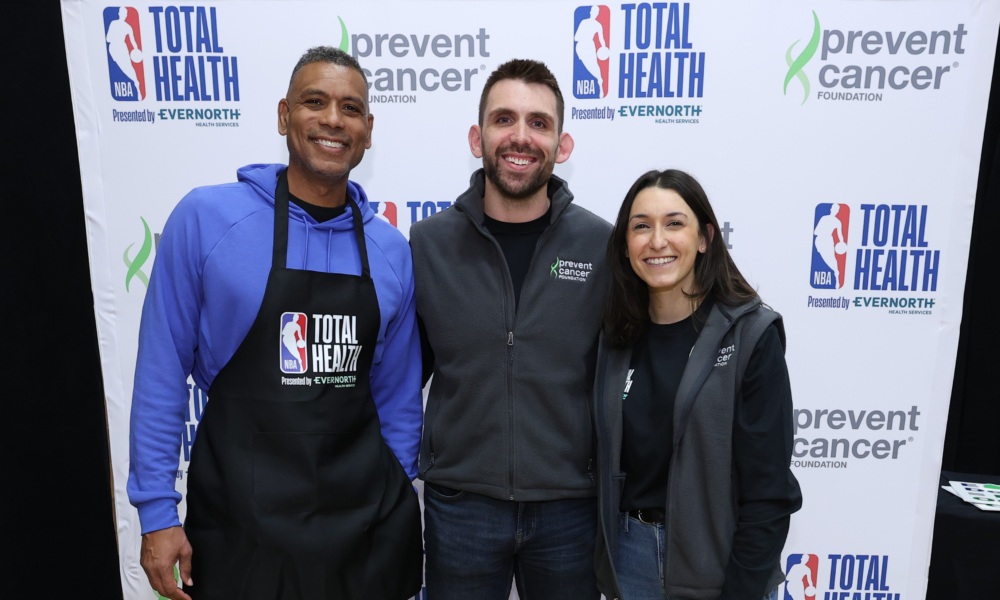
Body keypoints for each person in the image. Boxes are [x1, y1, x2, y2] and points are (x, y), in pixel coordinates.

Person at [127, 46, 423, 600]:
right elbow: (162, 373)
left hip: (359, 533)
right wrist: (156, 514)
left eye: (351, 108)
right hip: (241, 529)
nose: (334, 120)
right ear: (284, 115)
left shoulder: (389, 249)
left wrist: (398, 499)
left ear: (368, 129)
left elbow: (398, 399)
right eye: (316, 102)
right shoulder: (206, 219)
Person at [409, 58, 611, 600]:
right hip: (460, 507)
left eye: (539, 123)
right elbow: (401, 375)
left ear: (562, 145)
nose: (520, 136)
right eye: (504, 119)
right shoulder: (426, 244)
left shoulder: (602, 246)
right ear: (478, 138)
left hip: (570, 509)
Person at [593, 169, 803, 600]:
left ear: (705, 237)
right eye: (641, 226)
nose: (657, 241)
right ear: (626, 245)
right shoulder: (615, 337)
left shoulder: (750, 335)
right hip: (627, 564)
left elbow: (768, 492)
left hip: (717, 569)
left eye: (674, 223)